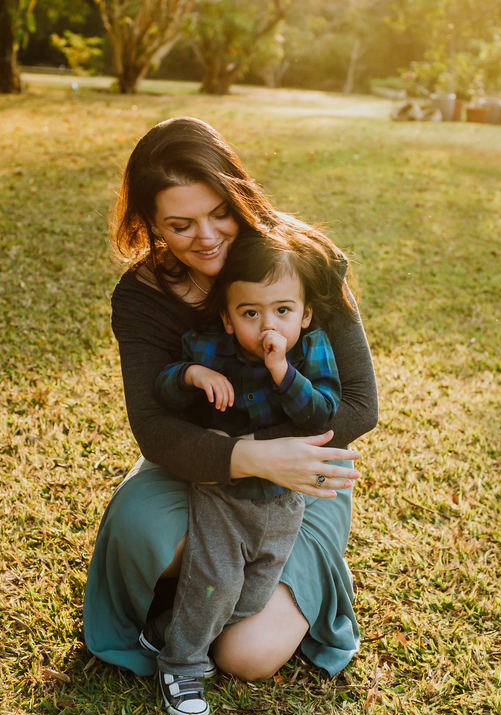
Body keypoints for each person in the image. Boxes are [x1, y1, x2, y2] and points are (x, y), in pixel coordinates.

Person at [82, 116, 378, 686]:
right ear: (150, 225)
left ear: (240, 195)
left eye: (220, 212)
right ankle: (198, 594)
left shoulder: (305, 258)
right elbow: (154, 429)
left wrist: (277, 457)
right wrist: (247, 456)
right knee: (146, 536)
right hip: (200, 464)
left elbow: (361, 406)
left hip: (301, 471)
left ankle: (252, 590)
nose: (208, 237)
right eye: (180, 225)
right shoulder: (142, 297)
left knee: (247, 656)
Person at [147, 230, 348, 715]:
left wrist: (282, 371)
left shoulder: (310, 351)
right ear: (228, 318)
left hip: (284, 500)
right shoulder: (210, 349)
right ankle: (181, 665)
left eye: (283, 310)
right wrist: (192, 374)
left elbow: (322, 415)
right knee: (216, 580)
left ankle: (170, 628)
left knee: (250, 594)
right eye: (250, 313)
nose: (267, 326)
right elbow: (162, 392)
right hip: (223, 493)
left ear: (305, 314)